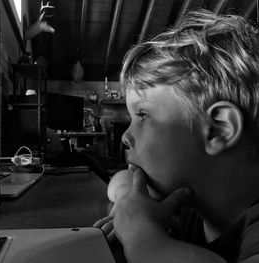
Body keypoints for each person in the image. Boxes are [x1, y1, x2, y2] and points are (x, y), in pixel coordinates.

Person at [94, 9, 259, 263]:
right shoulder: (193, 198)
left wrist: (141, 233)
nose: (125, 137)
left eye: (143, 116)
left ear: (217, 130)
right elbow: (123, 178)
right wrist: (131, 201)